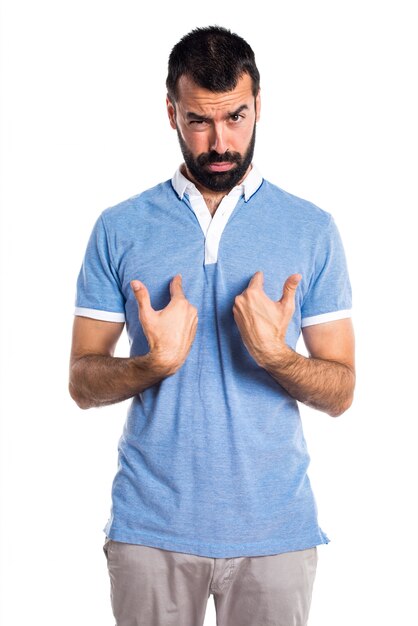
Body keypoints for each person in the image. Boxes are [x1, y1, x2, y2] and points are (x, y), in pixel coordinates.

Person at [69, 25, 355, 626]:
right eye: (199, 120)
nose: (220, 141)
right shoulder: (119, 227)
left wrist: (276, 356)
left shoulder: (311, 229)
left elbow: (342, 391)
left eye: (236, 117)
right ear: (171, 111)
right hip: (151, 528)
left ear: (259, 107)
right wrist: (154, 363)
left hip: (275, 529)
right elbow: (81, 381)